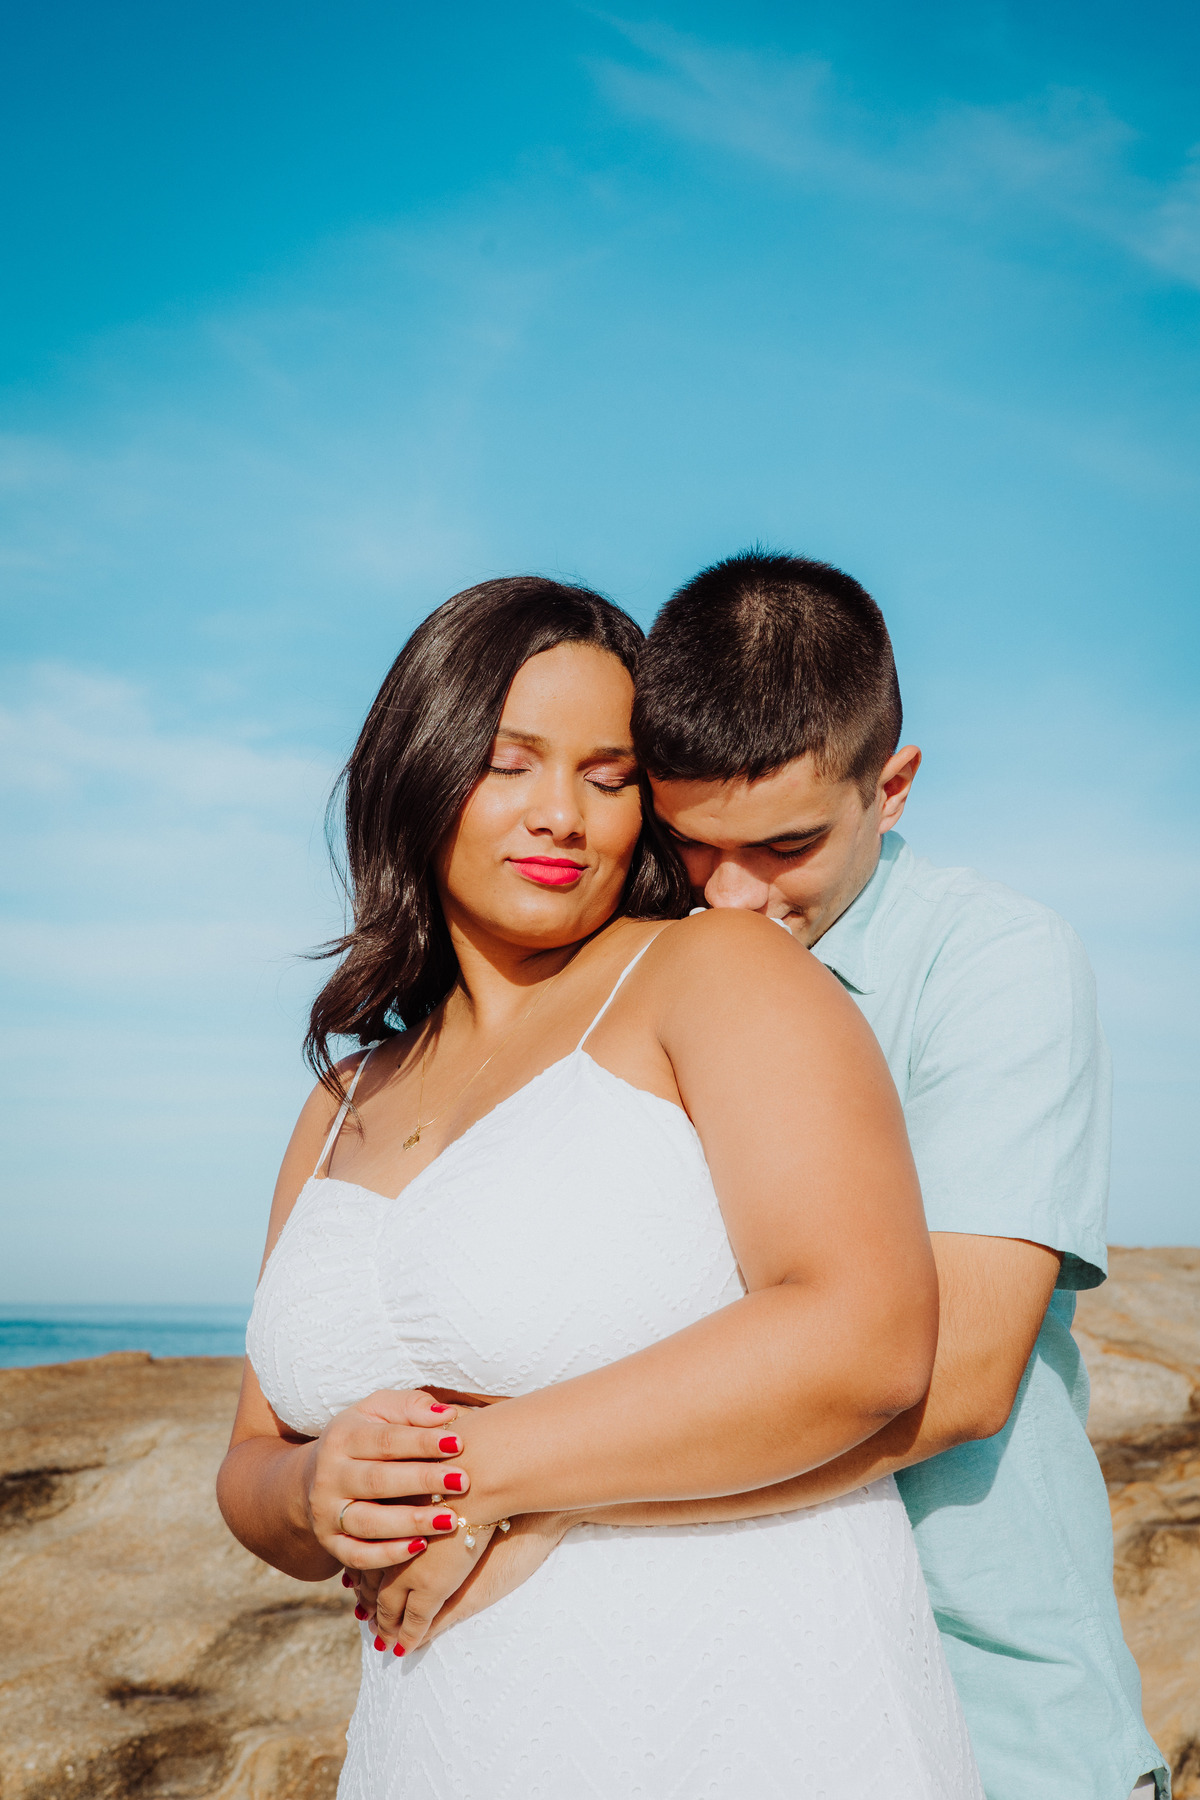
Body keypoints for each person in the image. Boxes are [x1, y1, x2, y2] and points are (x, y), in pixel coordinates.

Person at [217, 576, 984, 1798]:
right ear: (417, 767)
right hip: (438, 1745)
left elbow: (866, 1335)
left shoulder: (715, 973)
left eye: (610, 777)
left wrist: (472, 1477)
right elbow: (253, 1460)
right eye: (510, 763)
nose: (561, 815)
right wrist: (319, 1493)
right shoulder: (342, 1097)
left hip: (739, 1726)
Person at [623, 551, 1163, 1800]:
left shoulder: (999, 963)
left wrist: (545, 1501)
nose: (736, 897)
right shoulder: (657, 959)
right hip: (734, 1717)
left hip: (999, 1725)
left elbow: (959, 1380)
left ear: (894, 784)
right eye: (691, 846)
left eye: (787, 843)